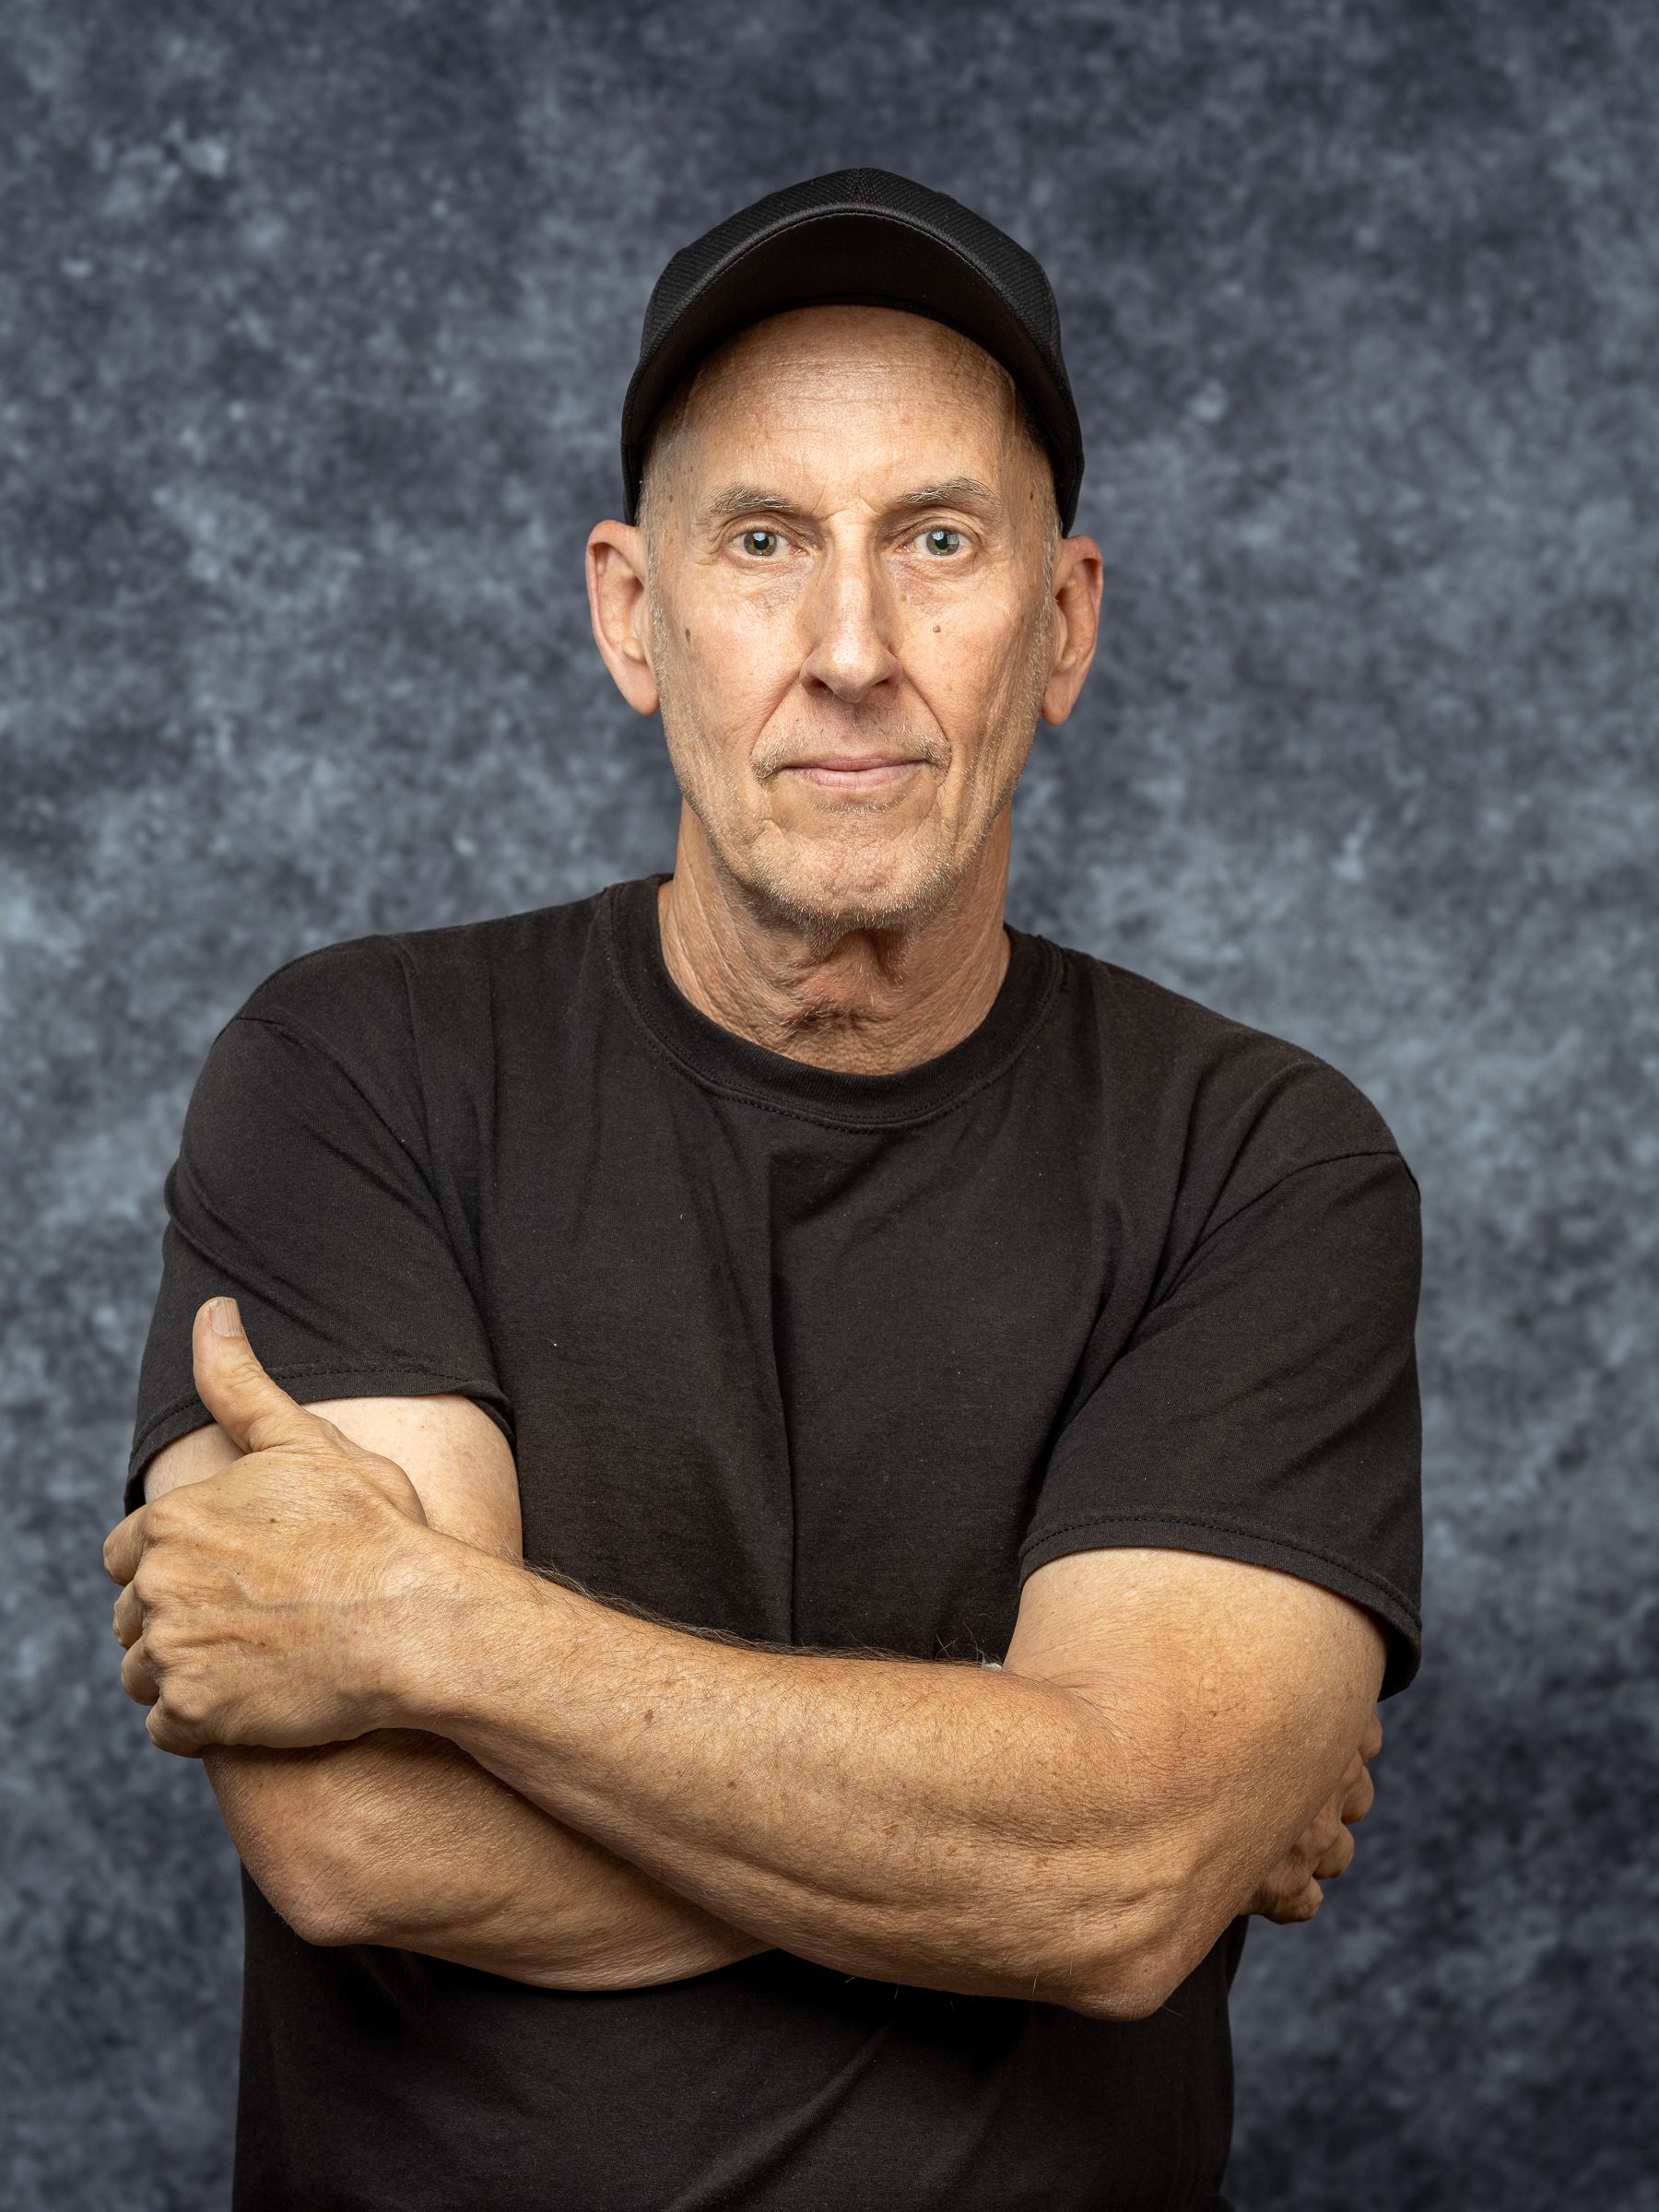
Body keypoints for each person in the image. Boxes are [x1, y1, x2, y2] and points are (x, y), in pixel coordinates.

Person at [107, 169, 1422, 2212]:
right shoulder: (358, 1071)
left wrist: (423, 1627)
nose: (851, 651)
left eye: (938, 540)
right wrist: (1048, 1829)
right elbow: (361, 1838)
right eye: (763, 541)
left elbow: (1123, 1882)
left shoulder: (1263, 1164)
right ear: (634, 614)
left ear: (1063, 623)